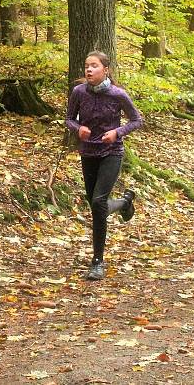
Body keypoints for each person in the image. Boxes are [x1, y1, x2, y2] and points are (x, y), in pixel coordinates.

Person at [66, 51, 144, 281]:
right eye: (87, 66)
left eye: (94, 66)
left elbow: (137, 120)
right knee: (95, 205)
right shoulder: (79, 92)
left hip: (112, 152)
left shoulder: (117, 94)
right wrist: (77, 129)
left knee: (99, 201)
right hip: (88, 152)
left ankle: (97, 262)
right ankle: (124, 202)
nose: (89, 70)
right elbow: (69, 118)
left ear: (105, 70)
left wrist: (117, 132)